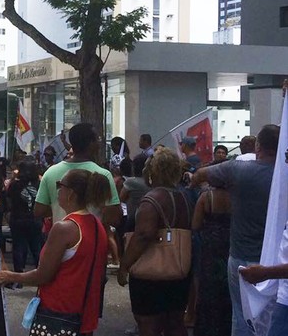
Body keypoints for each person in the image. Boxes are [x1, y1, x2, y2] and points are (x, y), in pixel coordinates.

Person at [0, 169, 111, 335]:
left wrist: (10, 276)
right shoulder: (97, 225)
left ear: (71, 193)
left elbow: (43, 275)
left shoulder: (65, 228)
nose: (57, 191)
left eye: (60, 186)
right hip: (83, 315)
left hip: (59, 314)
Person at [192, 124, 280, 336]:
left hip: (241, 256)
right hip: (276, 261)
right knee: (274, 317)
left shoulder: (237, 170)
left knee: (241, 316)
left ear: (258, 146)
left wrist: (195, 181)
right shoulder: (282, 176)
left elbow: (201, 175)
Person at [118, 147, 193, 336]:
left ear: (152, 171)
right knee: (175, 322)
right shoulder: (184, 197)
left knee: (148, 323)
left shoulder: (152, 198)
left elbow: (144, 234)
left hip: (150, 273)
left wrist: (124, 265)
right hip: (179, 267)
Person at [35, 123, 122, 228]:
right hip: (91, 240)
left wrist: (58, 209)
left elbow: (39, 210)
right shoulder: (103, 175)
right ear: (91, 143)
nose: (99, 143)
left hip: (61, 239)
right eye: (97, 139)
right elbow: (114, 216)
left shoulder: (50, 172)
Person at [192, 185, 231, 336]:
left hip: (210, 246)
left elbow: (195, 224)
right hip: (230, 244)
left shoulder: (206, 197)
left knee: (208, 288)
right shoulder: (235, 196)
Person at [6, 159, 43, 278]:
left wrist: (13, 178)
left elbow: (8, 197)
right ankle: (40, 272)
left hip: (18, 219)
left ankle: (18, 275)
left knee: (18, 247)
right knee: (36, 247)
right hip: (35, 219)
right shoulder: (39, 184)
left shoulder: (15, 184)